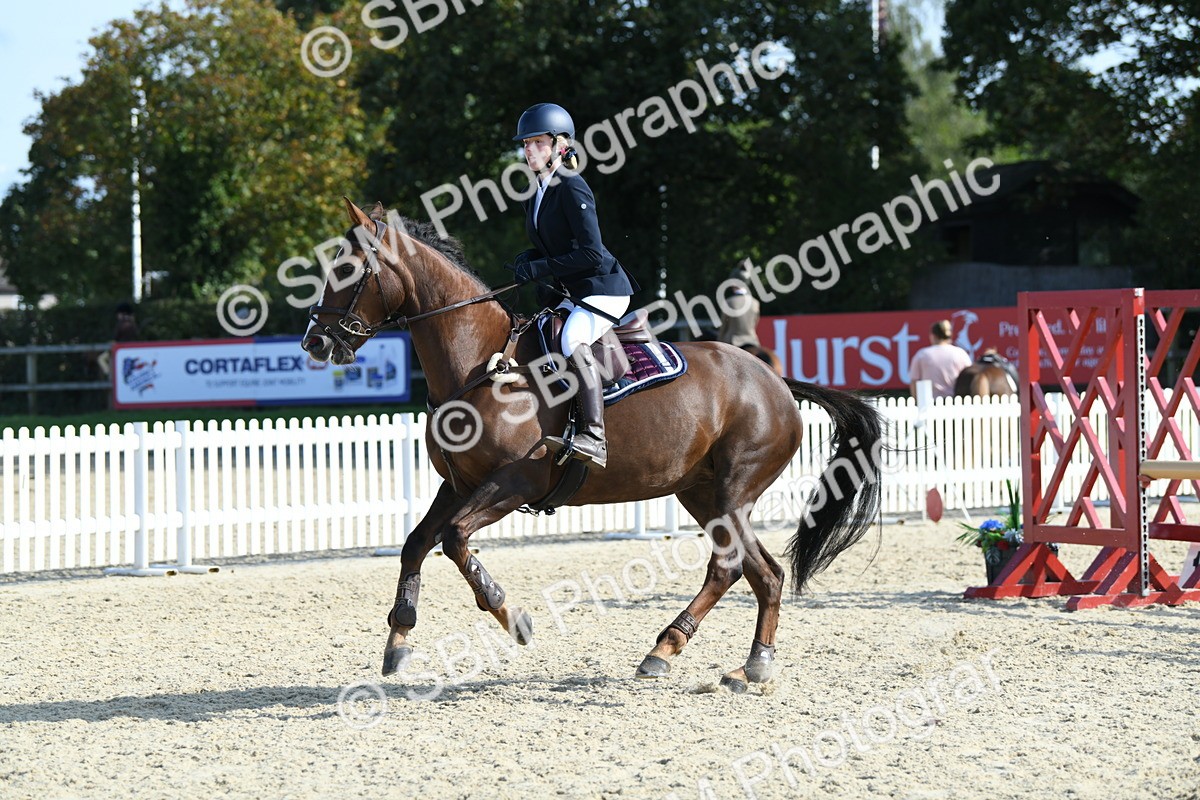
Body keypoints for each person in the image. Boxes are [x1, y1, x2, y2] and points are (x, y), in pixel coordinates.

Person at [506, 103, 639, 470]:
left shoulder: (572, 186)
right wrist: (527, 258)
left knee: (572, 339)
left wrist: (542, 267)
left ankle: (594, 436)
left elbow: (591, 254)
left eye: (537, 142)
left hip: (603, 288)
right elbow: (554, 246)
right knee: (540, 336)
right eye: (525, 144)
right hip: (574, 290)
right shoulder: (535, 194)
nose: (528, 150)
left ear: (560, 146)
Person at [909, 319, 971, 399]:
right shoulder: (961, 353)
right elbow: (969, 379)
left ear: (933, 336)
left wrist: (917, 402)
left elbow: (914, 382)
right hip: (955, 402)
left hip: (929, 404)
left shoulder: (922, 355)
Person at [716, 263, 760, 348]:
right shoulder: (755, 303)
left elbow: (724, 326)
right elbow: (755, 323)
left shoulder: (729, 302)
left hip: (733, 342)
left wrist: (719, 342)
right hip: (752, 341)